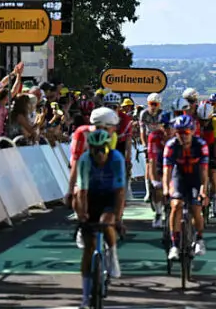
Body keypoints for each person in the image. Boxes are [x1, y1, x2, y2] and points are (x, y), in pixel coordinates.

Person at [75, 129, 126, 308]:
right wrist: (83, 216)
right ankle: (85, 296)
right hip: (92, 197)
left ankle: (112, 254)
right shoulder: (85, 160)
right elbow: (82, 192)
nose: (98, 154)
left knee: (106, 222)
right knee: (88, 249)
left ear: (108, 148)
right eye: (94, 150)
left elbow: (120, 192)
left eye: (102, 150)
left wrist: (118, 219)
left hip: (110, 196)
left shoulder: (117, 159)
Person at [163, 114, 209, 260]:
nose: (183, 136)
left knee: (196, 207)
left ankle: (199, 239)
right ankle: (175, 245)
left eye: (186, 132)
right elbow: (167, 171)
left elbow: (204, 171)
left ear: (193, 131)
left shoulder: (200, 145)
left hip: (195, 176)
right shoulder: (171, 145)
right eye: (179, 132)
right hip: (179, 176)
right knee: (176, 205)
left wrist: (203, 190)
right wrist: (166, 189)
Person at [147, 111, 171, 229]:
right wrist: (154, 181)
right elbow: (152, 160)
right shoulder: (154, 136)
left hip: (173, 162)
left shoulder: (178, 136)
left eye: (170, 126)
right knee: (158, 189)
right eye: (164, 126)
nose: (167, 129)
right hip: (159, 160)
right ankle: (158, 213)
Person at [140, 93, 163, 203]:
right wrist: (144, 145)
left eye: (155, 104)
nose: (153, 106)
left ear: (159, 105)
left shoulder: (162, 114)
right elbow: (142, 131)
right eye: (151, 104)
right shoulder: (144, 114)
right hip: (149, 138)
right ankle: (148, 192)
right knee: (148, 164)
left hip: (160, 139)